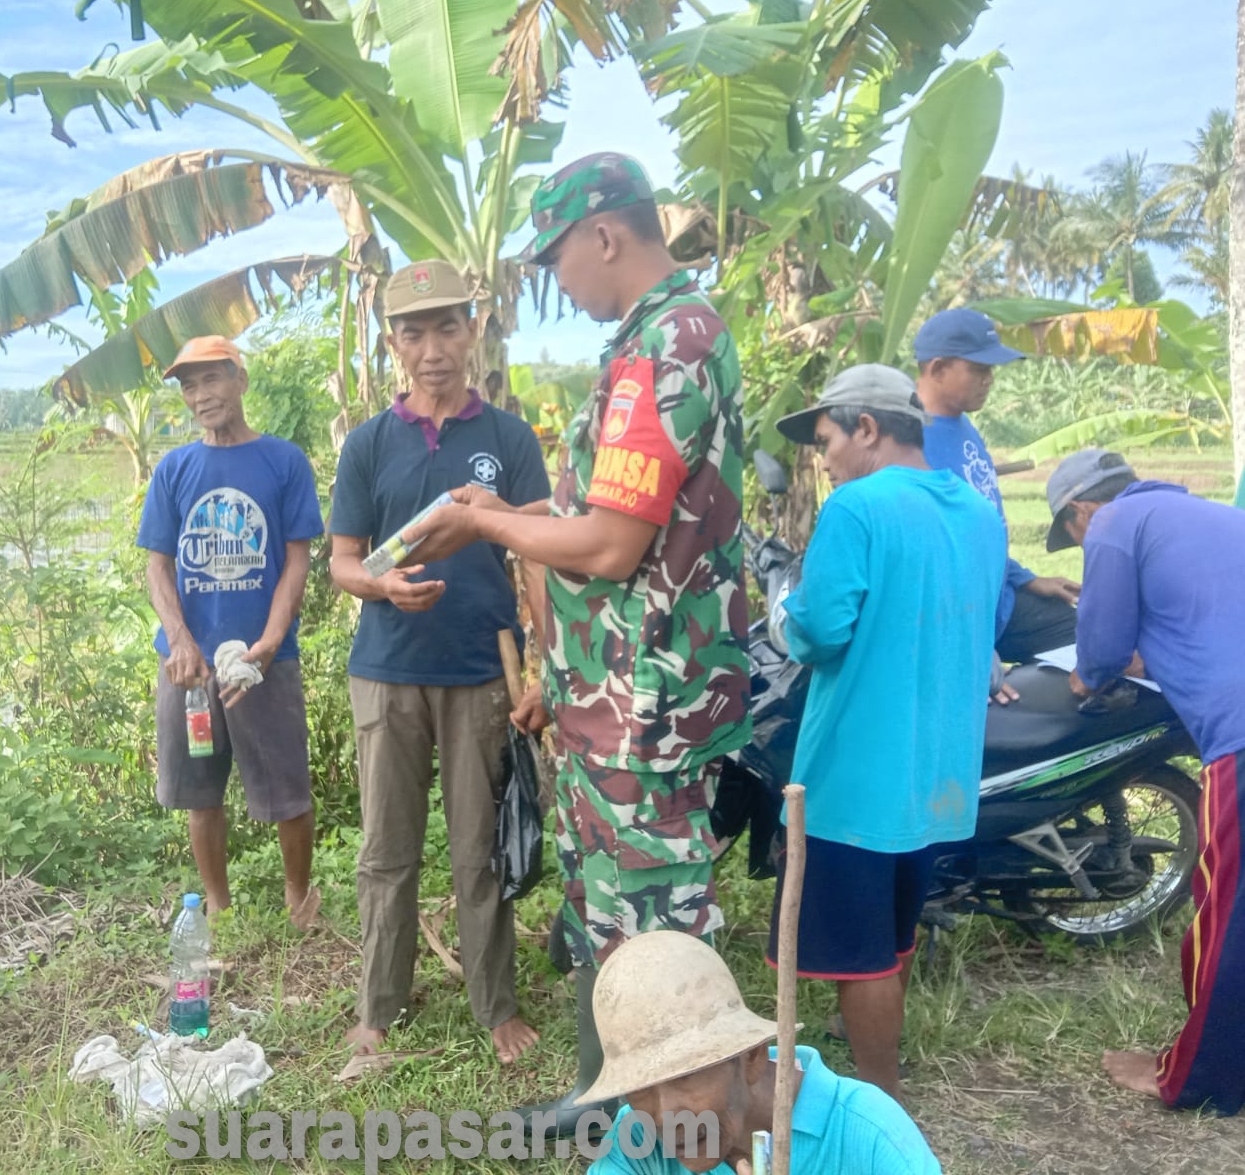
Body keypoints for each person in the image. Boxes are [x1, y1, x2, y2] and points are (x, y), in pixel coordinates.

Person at [399, 152, 750, 1133]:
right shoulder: (643, 341)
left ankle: (690, 1131)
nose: (556, 281)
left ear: (605, 235)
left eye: (557, 259)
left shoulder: (670, 344)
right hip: (610, 698)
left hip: (650, 704)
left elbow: (605, 543)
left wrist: (488, 526)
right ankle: (607, 1105)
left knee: (661, 931)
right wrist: (504, 507)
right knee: (607, 912)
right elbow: (595, 509)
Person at [327, 260, 550, 1066]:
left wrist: (544, 669)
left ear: (473, 330)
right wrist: (380, 587)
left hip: (481, 673)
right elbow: (341, 562)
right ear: (393, 342)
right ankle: (377, 1009)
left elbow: (539, 557)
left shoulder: (508, 439)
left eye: (447, 326)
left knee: (477, 849)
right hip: (386, 671)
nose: (432, 348)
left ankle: (496, 1006)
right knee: (386, 850)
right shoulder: (369, 444)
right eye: (414, 331)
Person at [770, 364, 1005, 1103]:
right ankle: (877, 1065)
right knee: (894, 933)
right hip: (937, 774)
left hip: (854, 781)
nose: (825, 458)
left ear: (866, 429)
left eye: (826, 439)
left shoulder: (857, 508)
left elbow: (819, 633)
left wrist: (781, 611)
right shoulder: (977, 511)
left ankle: (879, 1101)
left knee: (859, 956)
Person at [1041, 449, 1245, 1116]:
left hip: (1239, 737)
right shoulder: (1214, 516)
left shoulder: (1112, 526)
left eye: (1070, 537)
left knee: (1226, 908)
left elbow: (1098, 653)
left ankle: (1195, 1078)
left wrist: (1087, 676)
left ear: (1080, 511)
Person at [136, 335, 324, 928]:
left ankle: (299, 899)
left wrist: (269, 643)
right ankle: (218, 906)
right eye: (189, 385)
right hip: (189, 667)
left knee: (288, 788)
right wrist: (181, 639)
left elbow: (297, 560)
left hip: (265, 656)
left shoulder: (283, 461)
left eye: (212, 379)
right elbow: (158, 565)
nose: (200, 395)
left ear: (240, 381)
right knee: (199, 789)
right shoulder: (175, 469)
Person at [581, 930, 942, 1174]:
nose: (666, 1114)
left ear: (751, 1057)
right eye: (641, 1086)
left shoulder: (867, 1134)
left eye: (685, 1076)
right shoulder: (637, 1141)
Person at [914, 308, 1078, 663]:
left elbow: (982, 530)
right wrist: (966, 644)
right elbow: (927, 559)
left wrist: (1024, 579)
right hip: (955, 618)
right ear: (939, 369)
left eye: (991, 369)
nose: (989, 379)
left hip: (996, 603)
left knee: (1086, 633)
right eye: (978, 369)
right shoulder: (910, 441)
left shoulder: (961, 426)